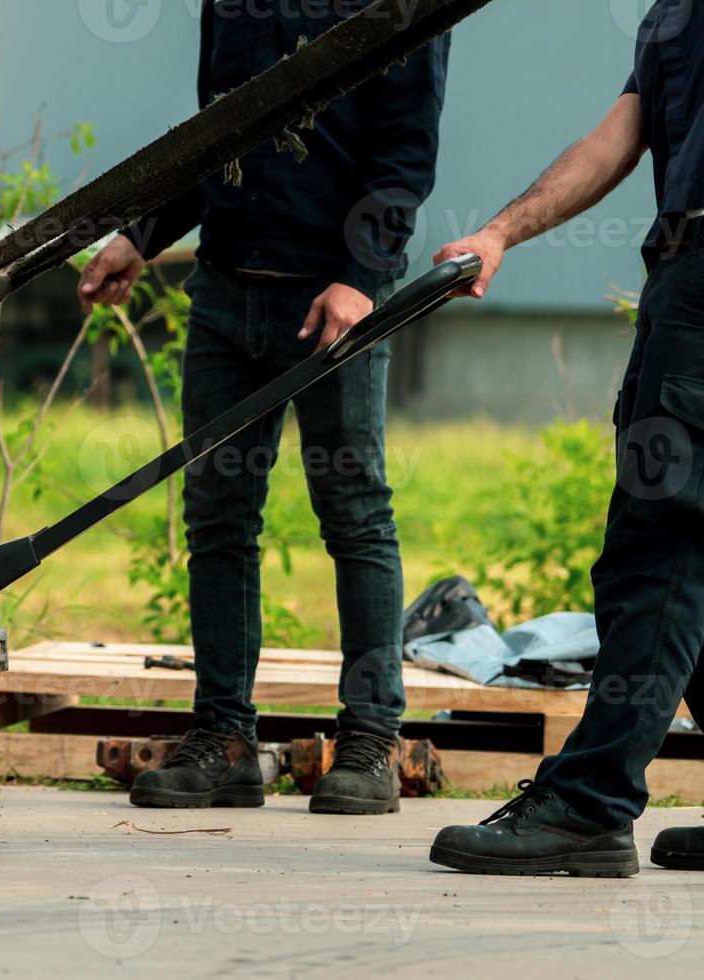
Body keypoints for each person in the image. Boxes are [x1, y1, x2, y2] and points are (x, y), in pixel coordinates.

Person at [78, 0, 450, 815]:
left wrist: (361, 274)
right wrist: (142, 233)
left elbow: (405, 153)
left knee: (352, 513)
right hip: (226, 289)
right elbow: (218, 132)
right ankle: (224, 740)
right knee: (216, 516)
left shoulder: (403, 4)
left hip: (336, 294)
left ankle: (369, 740)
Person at [431, 0, 703, 877]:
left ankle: (590, 805)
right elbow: (614, 139)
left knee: (660, 553)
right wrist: (500, 232)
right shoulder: (674, 15)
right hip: (683, 274)